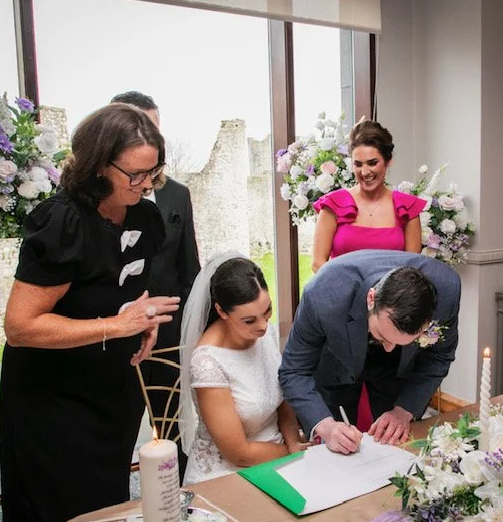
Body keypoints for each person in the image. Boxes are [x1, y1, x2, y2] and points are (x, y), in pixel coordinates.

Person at [0, 103, 180, 522]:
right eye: (133, 174)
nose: (145, 184)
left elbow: (124, 286)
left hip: (111, 388)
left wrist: (144, 319)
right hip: (55, 396)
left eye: (152, 172)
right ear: (99, 165)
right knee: (72, 515)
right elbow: (20, 326)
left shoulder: (144, 215)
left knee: (109, 505)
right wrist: (114, 327)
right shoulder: (63, 221)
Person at [279, 250, 461, 455]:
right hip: (336, 363)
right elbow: (293, 370)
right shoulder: (324, 295)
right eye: (382, 336)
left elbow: (439, 357)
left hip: (399, 371)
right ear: (371, 298)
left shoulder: (446, 291)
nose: (389, 348)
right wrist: (326, 426)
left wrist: (404, 410)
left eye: (401, 342)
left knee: (395, 446)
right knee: (338, 450)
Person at [111, 91, 200, 476]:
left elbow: (189, 268)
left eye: (155, 132)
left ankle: (179, 502)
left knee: (174, 427)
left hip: (167, 335)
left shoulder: (178, 194)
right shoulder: (95, 205)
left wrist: (194, 332)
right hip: (112, 337)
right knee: (116, 428)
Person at [179, 253, 308, 485]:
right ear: (221, 312)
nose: (263, 326)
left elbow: (282, 401)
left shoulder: (263, 331)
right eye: (249, 321)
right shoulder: (207, 362)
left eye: (267, 311)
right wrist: (292, 453)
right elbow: (238, 452)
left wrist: (293, 441)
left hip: (279, 450)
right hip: (228, 471)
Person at [311, 119, 426, 273]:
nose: (365, 172)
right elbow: (318, 264)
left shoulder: (407, 208)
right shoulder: (333, 204)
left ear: (388, 161)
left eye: (372, 163)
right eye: (358, 164)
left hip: (391, 296)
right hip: (341, 295)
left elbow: (412, 271)